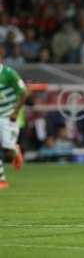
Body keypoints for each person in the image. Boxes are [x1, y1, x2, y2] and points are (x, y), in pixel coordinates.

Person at [0, 62, 28, 190]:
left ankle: (15, 150)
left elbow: (24, 92)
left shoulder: (9, 74)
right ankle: (2, 180)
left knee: (8, 153)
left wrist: (15, 112)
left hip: (7, 116)